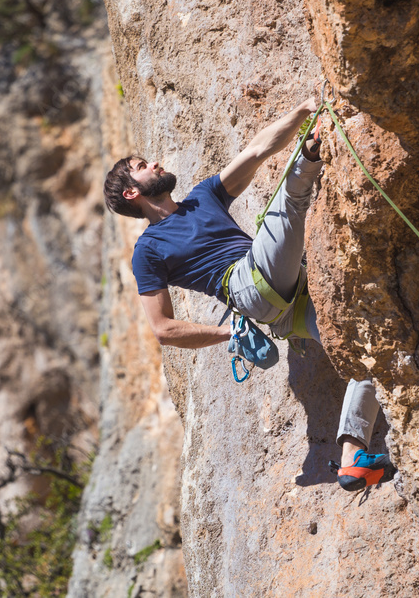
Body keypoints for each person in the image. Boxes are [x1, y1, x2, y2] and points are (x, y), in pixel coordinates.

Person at [103, 94, 396, 491]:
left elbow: (257, 149)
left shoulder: (203, 197)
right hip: (248, 288)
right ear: (131, 194)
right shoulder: (148, 251)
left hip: (286, 300)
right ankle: (310, 156)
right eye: (141, 167)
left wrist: (301, 110)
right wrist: (230, 334)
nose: (153, 164)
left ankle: (352, 457)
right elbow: (162, 329)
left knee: (371, 350)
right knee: (290, 201)